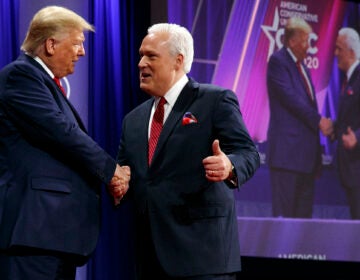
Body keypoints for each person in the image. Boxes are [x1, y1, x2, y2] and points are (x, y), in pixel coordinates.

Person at [110, 23, 260, 280]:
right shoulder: (132, 120)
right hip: (150, 259)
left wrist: (229, 166)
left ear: (178, 61)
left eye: (151, 56)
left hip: (203, 258)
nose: (141, 63)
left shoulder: (215, 100)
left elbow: (248, 152)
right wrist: (119, 185)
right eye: (141, 55)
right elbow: (126, 174)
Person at [0, 6, 129, 280]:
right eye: (78, 44)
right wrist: (112, 171)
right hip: (34, 233)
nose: (82, 52)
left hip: (53, 235)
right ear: (50, 44)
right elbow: (63, 133)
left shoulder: (44, 82)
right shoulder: (21, 76)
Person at [266, 17, 333, 218]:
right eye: (305, 41)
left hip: (306, 160)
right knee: (284, 223)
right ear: (292, 41)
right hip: (287, 157)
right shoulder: (278, 61)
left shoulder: (303, 67)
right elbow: (292, 100)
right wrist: (319, 121)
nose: (308, 46)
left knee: (303, 225)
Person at [333, 27, 360, 219]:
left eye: (339, 49)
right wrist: (332, 127)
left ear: (351, 52)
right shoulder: (350, 79)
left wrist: (357, 137)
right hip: (351, 170)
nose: (335, 54)